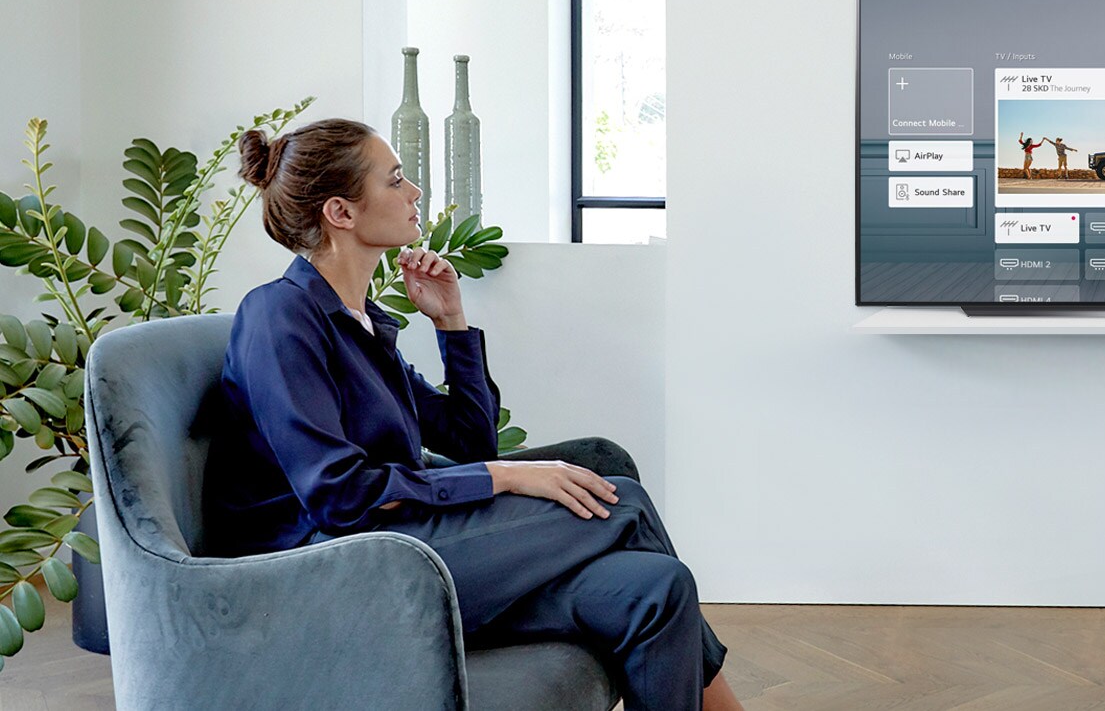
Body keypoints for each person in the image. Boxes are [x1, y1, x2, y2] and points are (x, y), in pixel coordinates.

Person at [201, 118, 740, 711]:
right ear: (341, 212)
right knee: (624, 500)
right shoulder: (279, 315)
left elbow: (470, 438)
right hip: (334, 568)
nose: (415, 194)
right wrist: (507, 476)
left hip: (406, 543)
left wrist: (451, 322)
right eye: (396, 180)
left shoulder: (365, 324)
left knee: (658, 589)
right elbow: (337, 493)